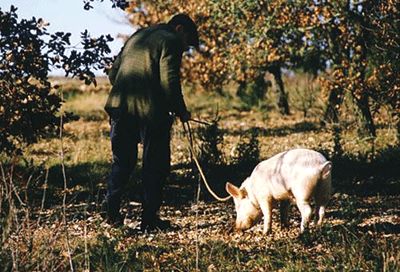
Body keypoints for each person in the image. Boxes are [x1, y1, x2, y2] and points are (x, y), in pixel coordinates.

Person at [103, 13, 199, 231]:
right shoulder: (171, 40)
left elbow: (113, 74)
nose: (185, 49)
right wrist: (181, 110)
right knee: (155, 166)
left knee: (122, 163)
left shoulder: (138, 36)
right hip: (151, 114)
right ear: (180, 29)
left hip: (119, 108)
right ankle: (149, 220)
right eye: (187, 44)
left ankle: (110, 215)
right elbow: (170, 82)